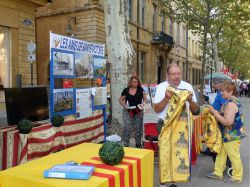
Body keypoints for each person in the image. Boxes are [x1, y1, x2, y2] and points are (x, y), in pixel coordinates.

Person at [153, 63, 200, 187]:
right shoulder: (161, 87)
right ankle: (163, 182)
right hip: (164, 123)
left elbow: (196, 110)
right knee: (164, 153)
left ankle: (174, 180)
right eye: (173, 74)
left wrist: (190, 100)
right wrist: (166, 99)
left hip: (183, 126)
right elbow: (156, 109)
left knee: (179, 154)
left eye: (178, 73)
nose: (176, 76)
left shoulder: (187, 87)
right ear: (167, 75)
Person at [207, 81, 246, 183]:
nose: (221, 93)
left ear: (230, 91)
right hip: (230, 134)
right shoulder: (231, 101)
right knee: (221, 153)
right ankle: (218, 172)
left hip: (231, 135)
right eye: (221, 91)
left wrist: (215, 113)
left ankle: (237, 176)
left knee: (234, 156)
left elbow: (227, 122)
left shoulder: (231, 104)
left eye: (223, 91)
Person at [119, 75, 147, 148]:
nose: (135, 83)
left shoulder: (141, 89)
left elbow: (145, 99)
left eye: (136, 82)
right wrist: (124, 106)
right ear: (131, 82)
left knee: (138, 128)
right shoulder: (126, 90)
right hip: (128, 110)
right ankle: (126, 144)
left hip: (138, 110)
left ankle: (138, 144)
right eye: (133, 81)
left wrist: (142, 104)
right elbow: (120, 99)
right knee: (127, 127)